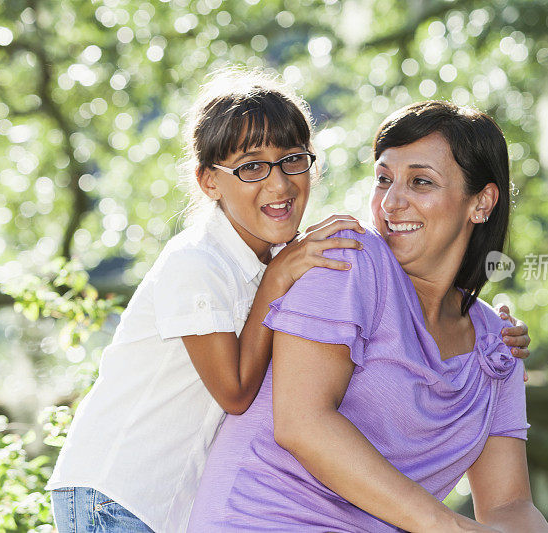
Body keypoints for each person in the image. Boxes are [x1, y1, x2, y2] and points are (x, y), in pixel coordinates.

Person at [187, 100, 548, 532]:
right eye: (383, 179)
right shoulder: (346, 260)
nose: (393, 202)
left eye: (420, 182)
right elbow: (302, 423)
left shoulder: (497, 345)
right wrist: (447, 527)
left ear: (481, 202)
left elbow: (509, 505)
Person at [45, 70, 370, 533]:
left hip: (162, 507)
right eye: (252, 167)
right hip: (114, 496)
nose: (279, 185)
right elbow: (235, 392)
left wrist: (484, 331)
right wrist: (278, 277)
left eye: (293, 160)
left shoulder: (277, 261)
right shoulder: (197, 263)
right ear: (208, 181)